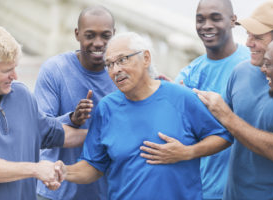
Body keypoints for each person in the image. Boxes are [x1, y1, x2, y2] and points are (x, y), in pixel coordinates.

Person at [47, 32, 233, 199]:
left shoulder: (181, 97)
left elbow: (223, 136)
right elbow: (93, 165)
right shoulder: (106, 108)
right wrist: (64, 171)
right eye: (109, 64)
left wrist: (188, 152)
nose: (115, 70)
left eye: (123, 60)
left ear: (146, 58)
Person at [141, 0, 250, 199]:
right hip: (203, 189)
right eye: (200, 20)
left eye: (215, 18)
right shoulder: (190, 72)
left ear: (233, 21)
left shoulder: (251, 64)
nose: (206, 25)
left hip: (244, 190)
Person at [0, 26, 92, 200]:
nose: (15, 76)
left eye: (15, 67)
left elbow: (52, 133)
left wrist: (104, 135)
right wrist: (37, 170)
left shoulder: (21, 95)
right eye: (6, 71)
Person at [193, 0, 273, 199]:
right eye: (248, 34)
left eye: (257, 37)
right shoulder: (241, 71)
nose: (248, 43)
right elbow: (223, 131)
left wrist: (226, 115)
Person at [34, 6, 117, 200]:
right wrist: (72, 119)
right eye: (90, 36)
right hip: (54, 189)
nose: (98, 43)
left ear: (114, 34)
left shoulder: (121, 73)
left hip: (105, 191)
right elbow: (40, 130)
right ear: (77, 34)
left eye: (106, 36)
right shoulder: (55, 69)